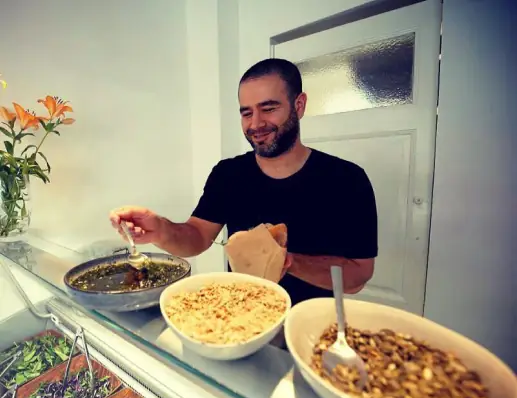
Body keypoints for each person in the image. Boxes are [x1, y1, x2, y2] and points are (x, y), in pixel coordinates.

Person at [110, 58, 378, 306]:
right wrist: (161, 230)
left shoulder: (347, 179)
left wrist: (286, 261)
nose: (256, 124)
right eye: (246, 113)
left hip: (314, 324)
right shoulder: (229, 174)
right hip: (242, 317)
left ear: (299, 105)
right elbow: (198, 237)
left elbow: (358, 276)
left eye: (269, 108)